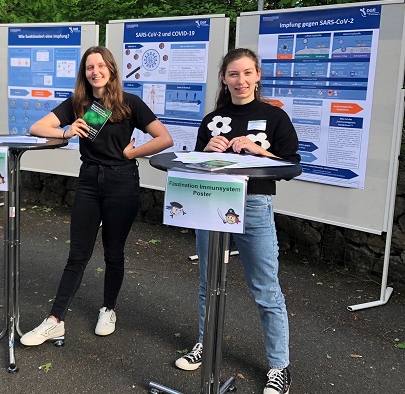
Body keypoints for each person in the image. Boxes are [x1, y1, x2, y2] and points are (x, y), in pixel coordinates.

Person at [21, 46, 173, 346]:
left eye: (101, 66)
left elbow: (164, 138)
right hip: (89, 181)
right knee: (77, 253)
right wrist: (66, 132)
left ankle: (108, 308)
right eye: (90, 67)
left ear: (111, 70)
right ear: (84, 73)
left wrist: (134, 152)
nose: (96, 71)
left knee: (114, 252)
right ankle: (55, 320)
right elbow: (36, 127)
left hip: (122, 182)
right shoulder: (78, 104)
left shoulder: (130, 103)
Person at [174, 48, 299, 394]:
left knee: (265, 288)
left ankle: (279, 366)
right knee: (208, 281)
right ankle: (206, 343)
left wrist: (260, 151)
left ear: (257, 75)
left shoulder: (274, 117)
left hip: (255, 204)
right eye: (233, 74)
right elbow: (193, 166)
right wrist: (204, 152)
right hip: (210, 203)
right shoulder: (213, 118)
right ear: (224, 78)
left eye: (247, 73)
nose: (240, 81)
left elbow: (291, 165)